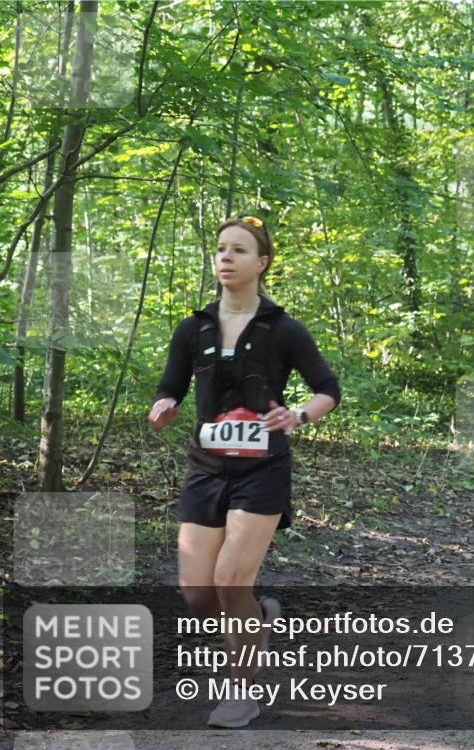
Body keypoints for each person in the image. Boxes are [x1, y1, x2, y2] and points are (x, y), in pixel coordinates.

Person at [148, 215, 340, 728]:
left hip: (263, 471)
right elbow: (170, 388)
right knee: (197, 594)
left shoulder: (284, 329)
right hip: (206, 470)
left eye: (238, 250)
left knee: (231, 582)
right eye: (220, 249)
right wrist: (164, 407)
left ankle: (241, 691)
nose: (226, 258)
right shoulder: (193, 328)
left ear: (262, 262)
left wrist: (298, 415)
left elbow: (328, 389)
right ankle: (257, 619)